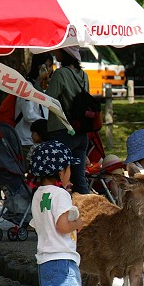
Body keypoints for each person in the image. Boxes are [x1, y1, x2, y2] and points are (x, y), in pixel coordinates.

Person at [29, 139, 87, 286]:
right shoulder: (61, 194)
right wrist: (78, 223)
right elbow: (63, 225)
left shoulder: (38, 195)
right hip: (62, 260)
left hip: (46, 259)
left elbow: (38, 226)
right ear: (61, 171)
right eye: (69, 168)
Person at [45, 46, 90, 194]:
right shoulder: (84, 75)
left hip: (62, 129)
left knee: (58, 177)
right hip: (81, 131)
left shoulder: (60, 74)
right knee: (79, 178)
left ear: (65, 53)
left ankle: (60, 211)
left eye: (58, 50)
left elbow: (49, 100)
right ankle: (86, 212)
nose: (55, 52)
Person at [16, 52, 52, 161]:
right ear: (38, 67)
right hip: (26, 140)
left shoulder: (46, 87)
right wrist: (48, 123)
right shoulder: (27, 86)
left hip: (41, 139)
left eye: (50, 66)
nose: (49, 70)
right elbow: (28, 115)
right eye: (46, 66)